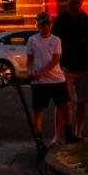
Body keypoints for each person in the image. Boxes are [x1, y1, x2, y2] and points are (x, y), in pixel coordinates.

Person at [53, 0, 88, 143]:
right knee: (63, 103)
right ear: (68, 0)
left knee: (82, 102)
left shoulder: (87, 20)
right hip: (66, 67)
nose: (75, 2)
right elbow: (54, 42)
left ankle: (78, 132)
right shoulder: (61, 20)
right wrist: (58, 64)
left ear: (82, 0)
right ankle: (59, 135)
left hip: (85, 66)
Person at [25, 11, 70, 150]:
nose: (45, 27)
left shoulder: (56, 40)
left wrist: (41, 72)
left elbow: (55, 60)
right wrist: (31, 72)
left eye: (48, 24)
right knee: (38, 110)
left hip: (56, 79)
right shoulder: (32, 40)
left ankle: (68, 133)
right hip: (39, 83)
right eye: (42, 24)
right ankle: (38, 137)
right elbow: (30, 59)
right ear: (38, 25)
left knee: (64, 106)